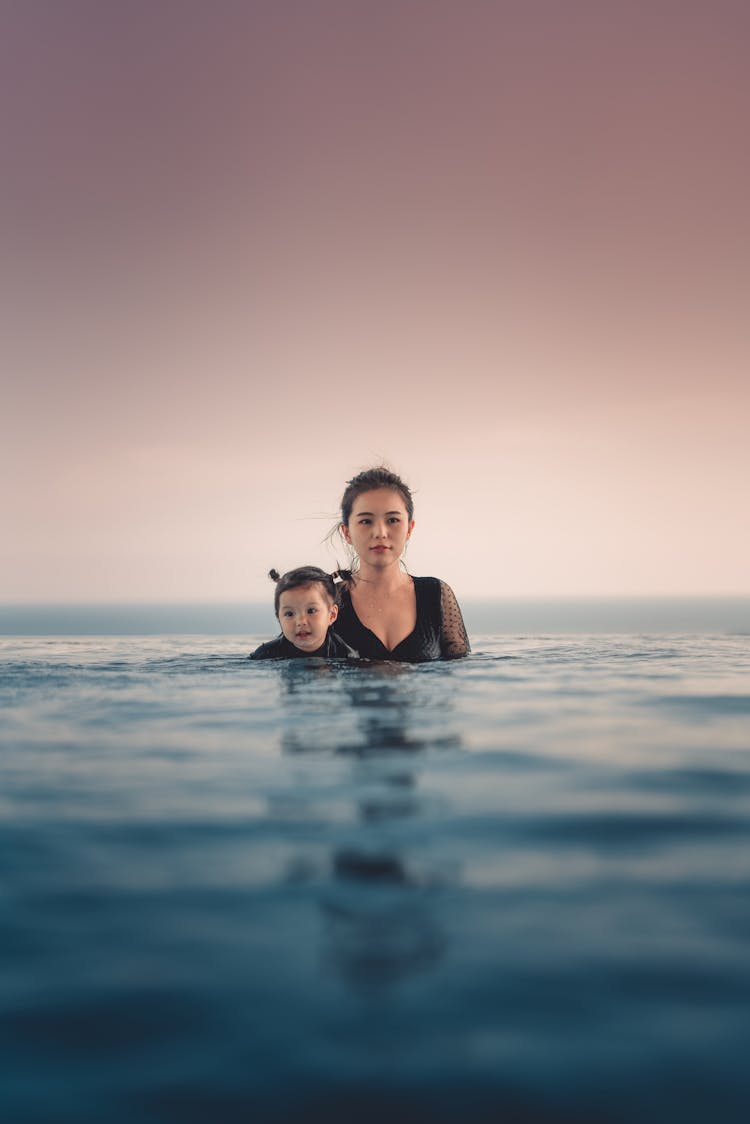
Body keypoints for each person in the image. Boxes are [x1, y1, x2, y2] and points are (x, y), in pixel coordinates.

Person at [333, 467, 470, 661]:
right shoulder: (327, 600)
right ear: (346, 532)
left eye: (392, 520)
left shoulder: (436, 594)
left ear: (409, 529)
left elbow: (464, 672)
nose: (380, 532)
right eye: (366, 521)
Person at [249, 566, 359, 660]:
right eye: (289, 614)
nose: (301, 622)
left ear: (332, 615)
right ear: (279, 618)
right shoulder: (265, 655)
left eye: (311, 611)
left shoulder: (346, 656)